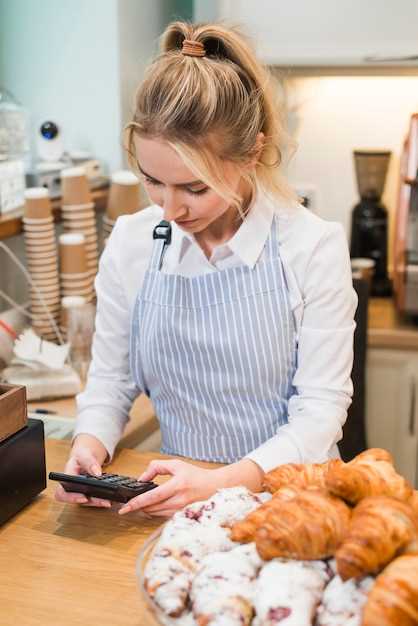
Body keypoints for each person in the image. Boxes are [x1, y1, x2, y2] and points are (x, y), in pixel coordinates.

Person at [55, 21, 357, 517]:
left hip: (291, 503)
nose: (170, 210)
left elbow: (320, 414)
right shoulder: (133, 242)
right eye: (153, 181)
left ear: (251, 153)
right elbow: (110, 380)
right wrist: (91, 444)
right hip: (177, 503)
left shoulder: (311, 247)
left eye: (195, 188)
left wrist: (221, 482)